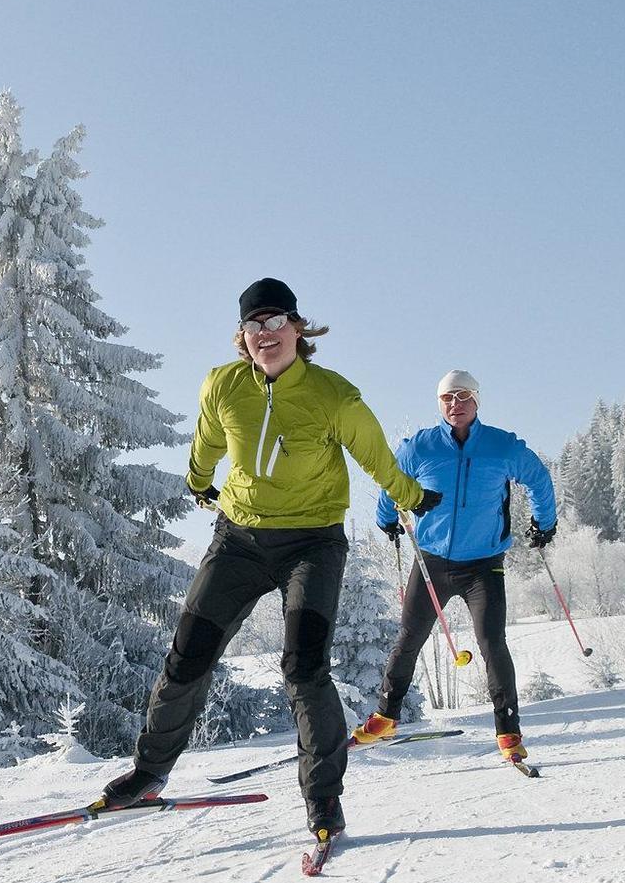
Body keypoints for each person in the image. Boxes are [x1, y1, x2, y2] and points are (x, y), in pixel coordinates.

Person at [95, 277, 440, 850]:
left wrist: (408, 495)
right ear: (243, 337)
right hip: (239, 541)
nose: (266, 333)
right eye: (255, 325)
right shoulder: (224, 385)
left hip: (312, 544)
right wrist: (199, 481)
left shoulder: (333, 395)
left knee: (304, 669)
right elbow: (208, 439)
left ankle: (324, 801)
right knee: (188, 657)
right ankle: (148, 774)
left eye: (276, 321)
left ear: (299, 329)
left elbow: (374, 454)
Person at [359, 369, 557, 764]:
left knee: (492, 644)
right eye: (448, 398)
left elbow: (537, 476)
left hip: (483, 564)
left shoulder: (502, 446)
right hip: (432, 561)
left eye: (464, 396)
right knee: (408, 639)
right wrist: (386, 518)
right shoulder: (421, 447)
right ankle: (385, 717)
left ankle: (508, 731)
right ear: (440, 404)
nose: (456, 404)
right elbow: (390, 480)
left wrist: (544, 521)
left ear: (477, 401)